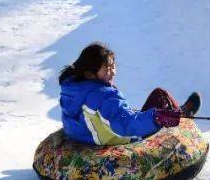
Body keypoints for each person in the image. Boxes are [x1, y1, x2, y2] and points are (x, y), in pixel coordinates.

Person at [59, 43, 201, 146]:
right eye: (107, 69)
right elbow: (126, 124)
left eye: (113, 66)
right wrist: (156, 117)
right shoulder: (103, 96)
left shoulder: (71, 89)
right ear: (90, 72)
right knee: (160, 95)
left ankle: (173, 113)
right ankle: (181, 116)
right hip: (119, 139)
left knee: (138, 110)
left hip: (87, 137)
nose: (113, 72)